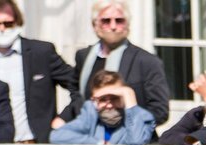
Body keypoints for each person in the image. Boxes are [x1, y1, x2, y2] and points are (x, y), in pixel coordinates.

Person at [60, 2, 168, 130]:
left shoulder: (147, 61)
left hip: (131, 142)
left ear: (127, 25)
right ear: (95, 25)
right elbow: (78, 94)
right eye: (106, 21)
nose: (113, 26)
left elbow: (160, 111)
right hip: (89, 139)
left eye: (119, 21)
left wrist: (130, 129)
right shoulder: (83, 57)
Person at [0, 1, 77, 144]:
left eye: (8, 23)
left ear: (17, 22)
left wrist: (64, 118)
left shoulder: (41, 53)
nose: (2, 29)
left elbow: (79, 85)